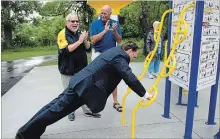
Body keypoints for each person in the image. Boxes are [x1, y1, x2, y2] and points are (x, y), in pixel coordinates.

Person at [15, 41, 154, 139]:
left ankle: (31, 131)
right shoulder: (120, 57)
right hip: (83, 88)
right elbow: (130, 77)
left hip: (81, 84)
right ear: (129, 50)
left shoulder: (115, 51)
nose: (133, 58)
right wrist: (145, 94)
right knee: (55, 110)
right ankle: (24, 134)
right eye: (134, 55)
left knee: (53, 107)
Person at [57, 13, 100, 121]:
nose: (75, 23)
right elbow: (66, 50)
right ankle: (70, 111)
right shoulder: (62, 34)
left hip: (81, 69)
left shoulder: (80, 33)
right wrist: (80, 41)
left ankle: (88, 111)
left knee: (84, 91)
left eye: (77, 21)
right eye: (73, 21)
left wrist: (85, 40)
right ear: (67, 22)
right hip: (68, 70)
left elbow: (88, 49)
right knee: (69, 93)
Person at [90, 5, 123, 112]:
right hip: (97, 54)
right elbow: (93, 40)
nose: (103, 15)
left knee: (113, 77)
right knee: (95, 78)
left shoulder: (115, 23)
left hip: (110, 54)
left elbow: (119, 41)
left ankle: (115, 101)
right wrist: (104, 31)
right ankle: (94, 101)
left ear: (110, 14)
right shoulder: (95, 24)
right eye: (102, 13)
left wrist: (114, 32)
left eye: (105, 13)